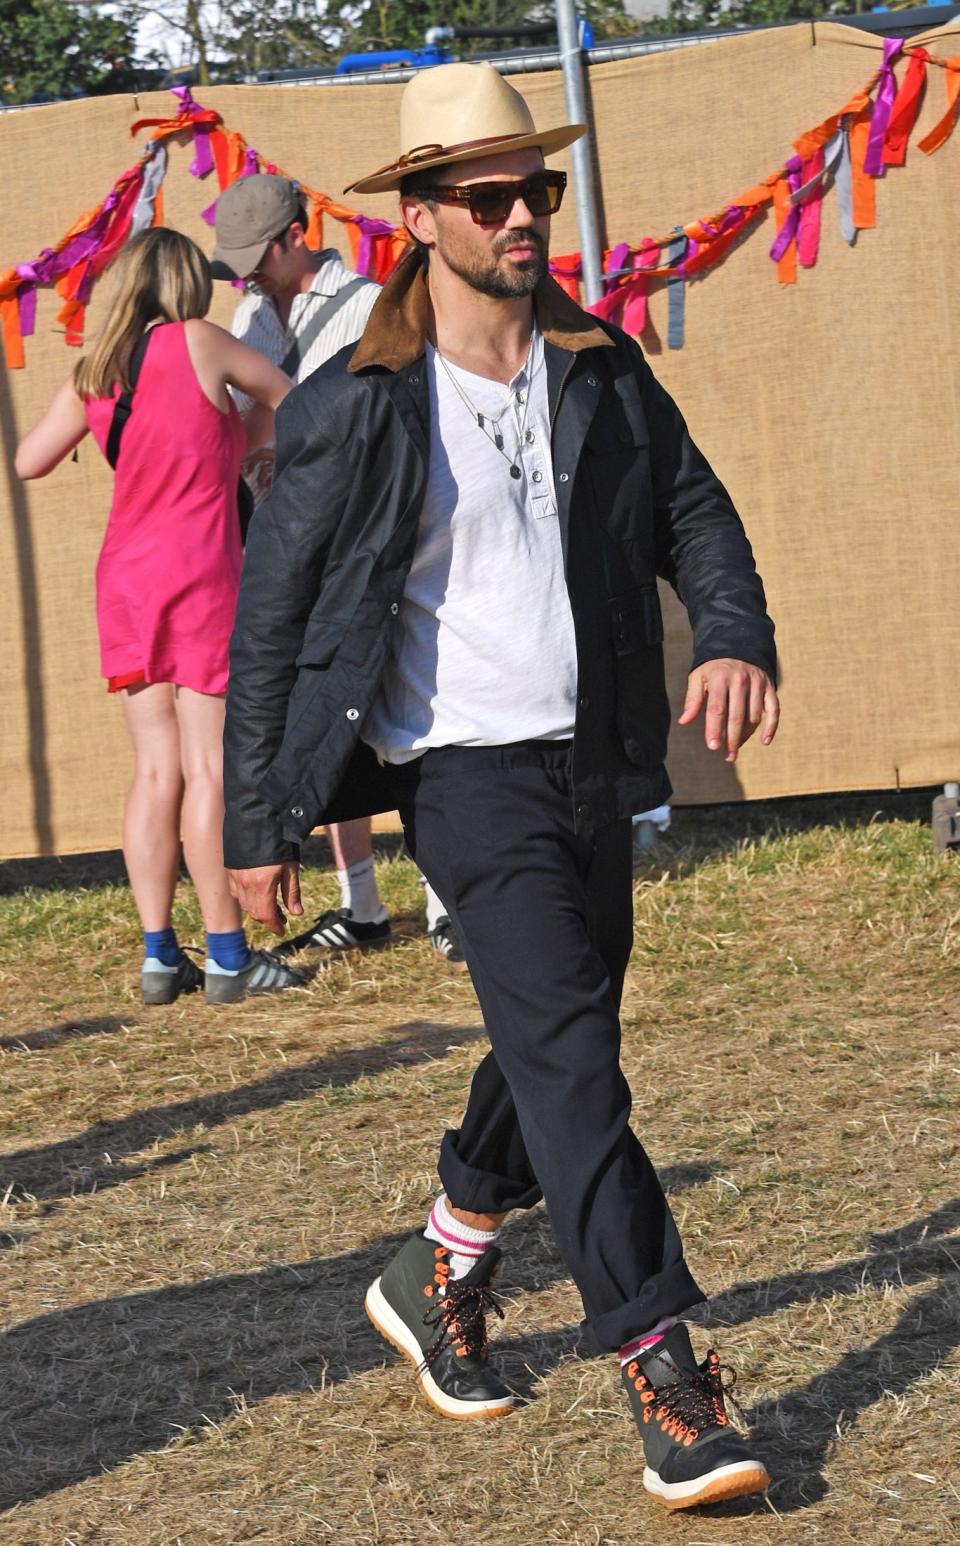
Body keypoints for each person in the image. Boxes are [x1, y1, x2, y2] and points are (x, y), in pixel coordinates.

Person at [222, 62, 781, 1511]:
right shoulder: (359, 400)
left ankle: (443, 1259)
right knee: (580, 1067)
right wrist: (253, 825)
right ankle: (667, 1371)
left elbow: (693, 507)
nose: (527, 212)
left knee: (559, 1037)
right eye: (493, 194)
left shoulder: (594, 357)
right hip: (457, 772)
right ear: (421, 217)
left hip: (593, 758)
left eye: (536, 185)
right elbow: (270, 616)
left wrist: (730, 630)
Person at [15, 227, 305, 1006]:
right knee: (209, 766)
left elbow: (28, 460)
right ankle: (226, 957)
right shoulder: (202, 342)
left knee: (153, 769)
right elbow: (294, 397)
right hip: (204, 571)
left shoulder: (95, 371)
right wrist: (238, 445)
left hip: (128, 580)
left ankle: (156, 956)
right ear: (184, 282)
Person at [212, 173, 464, 966]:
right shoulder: (250, 314)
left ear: (295, 236)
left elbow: (378, 424)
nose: (246, 273)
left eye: (256, 255)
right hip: (288, 537)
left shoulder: (364, 307)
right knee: (317, 717)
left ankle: (445, 901)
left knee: (396, 713)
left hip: (361, 546)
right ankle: (360, 904)